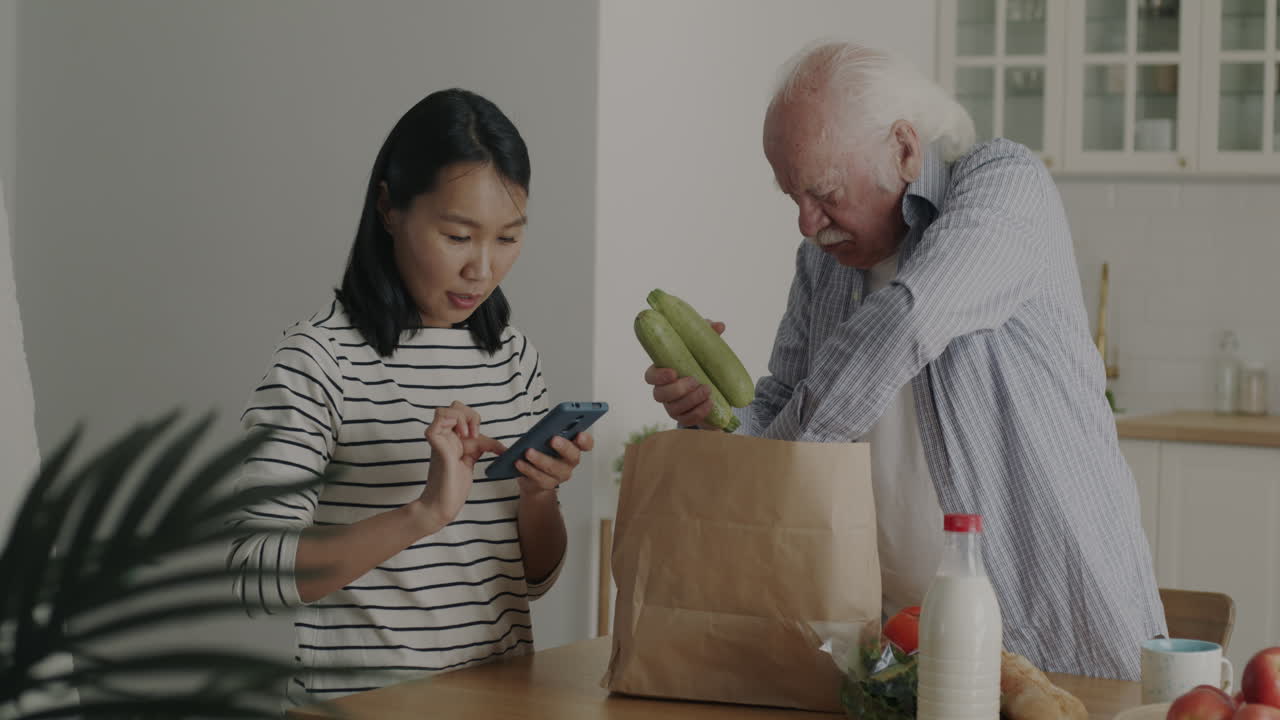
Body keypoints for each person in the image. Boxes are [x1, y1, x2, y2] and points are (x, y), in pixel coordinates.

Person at [644, 41, 1164, 680]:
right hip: (897, 650)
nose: (808, 224)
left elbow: (912, 318)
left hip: (1052, 631)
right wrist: (716, 419)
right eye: (792, 197)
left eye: (825, 192)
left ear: (905, 149)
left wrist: (778, 460)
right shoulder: (822, 262)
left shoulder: (1004, 187)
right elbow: (780, 404)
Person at [227, 88, 593, 704]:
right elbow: (254, 573)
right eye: (457, 236)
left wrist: (539, 493)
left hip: (499, 706)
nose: (483, 268)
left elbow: (533, 579)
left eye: (507, 238)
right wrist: (424, 514)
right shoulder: (320, 359)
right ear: (389, 208)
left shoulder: (510, 353)